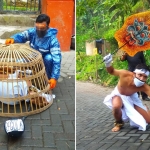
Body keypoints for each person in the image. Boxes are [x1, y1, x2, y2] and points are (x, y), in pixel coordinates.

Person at [5, 14, 62, 89]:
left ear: (47, 27)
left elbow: (57, 60)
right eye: (37, 27)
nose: (39, 30)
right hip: (33, 56)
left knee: (49, 58)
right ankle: (22, 81)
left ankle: (46, 80)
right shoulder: (33, 32)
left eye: (42, 28)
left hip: (45, 61)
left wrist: (54, 77)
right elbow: (22, 35)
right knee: (18, 62)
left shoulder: (53, 40)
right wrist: (13, 39)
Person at [103, 53, 150, 132]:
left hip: (132, 97)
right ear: (134, 74)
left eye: (145, 77)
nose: (142, 78)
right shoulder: (124, 74)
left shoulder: (144, 86)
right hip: (119, 94)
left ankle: (146, 109)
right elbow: (111, 71)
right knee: (116, 106)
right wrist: (108, 63)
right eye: (140, 75)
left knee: (148, 121)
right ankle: (119, 123)